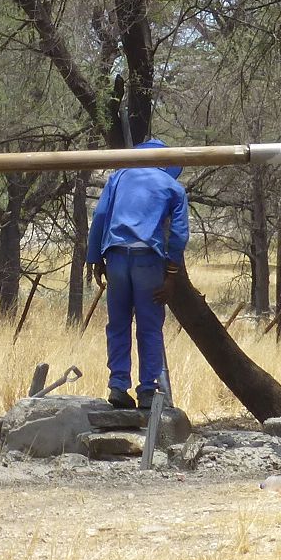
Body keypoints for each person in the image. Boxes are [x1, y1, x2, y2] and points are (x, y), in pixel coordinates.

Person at [85, 138, 189, 410]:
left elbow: (101, 215)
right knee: (149, 326)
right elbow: (178, 234)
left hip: (116, 257)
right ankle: (146, 390)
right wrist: (171, 274)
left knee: (118, 324)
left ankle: (118, 386)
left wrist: (95, 258)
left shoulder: (118, 177)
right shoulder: (172, 187)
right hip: (148, 260)